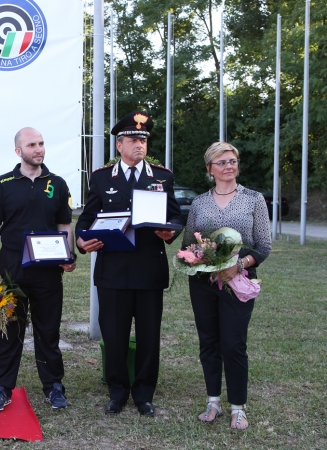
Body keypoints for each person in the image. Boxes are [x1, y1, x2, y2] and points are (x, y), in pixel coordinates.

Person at [75, 111, 183, 416]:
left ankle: (144, 393)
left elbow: (175, 216)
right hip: (113, 270)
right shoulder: (101, 177)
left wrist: (171, 231)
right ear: (120, 145)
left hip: (149, 268)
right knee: (115, 334)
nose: (140, 145)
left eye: (143, 140)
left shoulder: (162, 177)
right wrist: (82, 242)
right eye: (134, 140)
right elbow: (86, 220)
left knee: (149, 336)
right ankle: (117, 391)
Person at [0, 127, 76, 412]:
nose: (38, 149)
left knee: (48, 331)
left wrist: (69, 255)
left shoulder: (57, 183)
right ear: (18, 151)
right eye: (32, 145)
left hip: (48, 271)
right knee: (8, 331)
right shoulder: (3, 183)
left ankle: (54, 386)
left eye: (41, 144)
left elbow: (64, 225)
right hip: (11, 269)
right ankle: (2, 388)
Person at [183, 142, 271, 430]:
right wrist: (196, 257)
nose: (228, 166)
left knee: (234, 344)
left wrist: (240, 265)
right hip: (203, 283)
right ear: (210, 168)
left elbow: (264, 246)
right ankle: (213, 403)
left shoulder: (253, 199)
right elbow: (188, 245)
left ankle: (238, 408)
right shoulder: (198, 203)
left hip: (238, 281)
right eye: (221, 162)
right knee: (209, 343)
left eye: (232, 160)